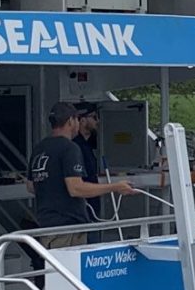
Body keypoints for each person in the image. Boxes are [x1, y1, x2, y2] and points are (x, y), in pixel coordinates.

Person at [26, 102, 134, 246]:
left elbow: (31, 186)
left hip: (47, 226)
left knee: (52, 268)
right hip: (68, 227)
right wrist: (115, 187)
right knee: (71, 268)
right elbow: (75, 188)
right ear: (71, 120)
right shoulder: (70, 148)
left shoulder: (39, 148)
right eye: (77, 119)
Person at [73, 101, 104, 220]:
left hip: (91, 208)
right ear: (82, 120)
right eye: (94, 117)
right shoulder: (75, 147)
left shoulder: (88, 145)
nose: (98, 121)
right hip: (83, 210)